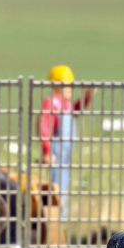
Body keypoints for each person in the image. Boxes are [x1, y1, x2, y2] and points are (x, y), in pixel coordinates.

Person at [40, 65, 93, 218]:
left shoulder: (66, 104)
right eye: (66, 85)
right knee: (57, 187)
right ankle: (55, 220)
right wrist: (46, 151)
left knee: (63, 186)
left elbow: (77, 110)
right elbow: (45, 127)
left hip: (66, 154)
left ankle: (60, 219)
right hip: (57, 152)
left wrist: (86, 97)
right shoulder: (51, 103)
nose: (69, 88)